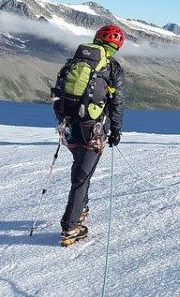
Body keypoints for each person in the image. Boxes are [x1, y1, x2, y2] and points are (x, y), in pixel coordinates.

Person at [52, 24, 126, 246]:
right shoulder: (112, 68)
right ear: (117, 45)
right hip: (92, 126)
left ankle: (81, 208)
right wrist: (115, 129)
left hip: (69, 124)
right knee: (82, 176)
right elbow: (117, 102)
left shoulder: (74, 61)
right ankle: (70, 227)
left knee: (79, 167)